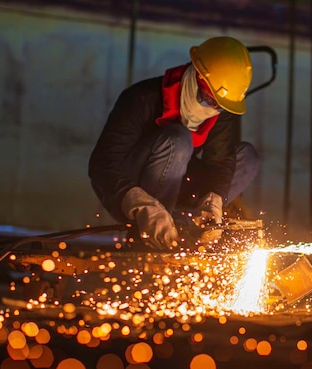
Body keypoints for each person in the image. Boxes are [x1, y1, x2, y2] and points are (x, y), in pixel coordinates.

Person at [89, 36, 260, 250]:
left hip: (178, 182)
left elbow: (220, 161)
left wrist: (213, 198)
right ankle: (152, 236)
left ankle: (189, 225)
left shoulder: (220, 112)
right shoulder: (142, 98)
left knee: (247, 157)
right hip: (130, 186)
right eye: (208, 98)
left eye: (219, 105)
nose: (211, 108)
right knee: (178, 140)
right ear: (196, 75)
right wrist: (140, 204)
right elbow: (102, 164)